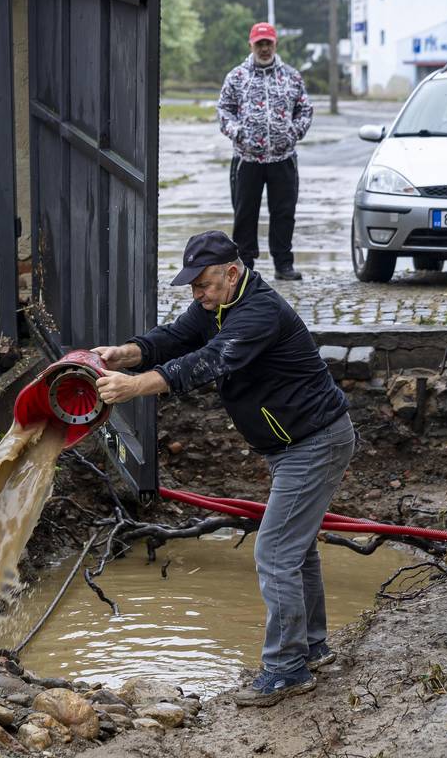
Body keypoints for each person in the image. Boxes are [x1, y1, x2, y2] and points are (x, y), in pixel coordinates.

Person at [93, 229, 355, 707]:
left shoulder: (259, 312)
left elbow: (206, 363)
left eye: (204, 286)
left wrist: (133, 387)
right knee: (297, 551)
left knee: (275, 553)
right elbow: (171, 339)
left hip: (316, 442)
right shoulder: (215, 303)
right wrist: (120, 354)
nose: (198, 295)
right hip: (290, 445)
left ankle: (286, 670)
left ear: (232, 274)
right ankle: (312, 648)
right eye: (193, 287)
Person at [217, 22, 313, 282]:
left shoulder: (291, 76)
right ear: (251, 45)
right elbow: (224, 110)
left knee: (284, 213)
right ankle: (245, 266)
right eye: (259, 44)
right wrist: (238, 133)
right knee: (245, 213)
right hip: (247, 159)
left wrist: (294, 132)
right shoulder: (237, 76)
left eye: (268, 43)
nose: (264, 48)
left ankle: (283, 264)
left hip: (283, 159)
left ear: (275, 44)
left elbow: (305, 109)